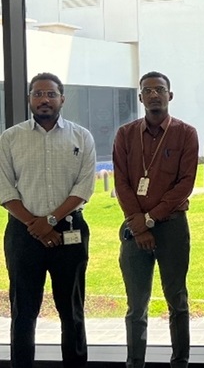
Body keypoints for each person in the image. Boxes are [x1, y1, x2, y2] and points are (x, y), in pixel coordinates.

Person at [0, 72, 96, 368]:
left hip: (69, 231)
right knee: (24, 311)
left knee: (72, 311)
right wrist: (36, 225)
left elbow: (84, 188)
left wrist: (51, 220)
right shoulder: (11, 137)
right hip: (22, 234)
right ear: (30, 99)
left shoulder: (81, 136)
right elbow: (4, 188)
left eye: (51, 94)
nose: (44, 99)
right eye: (38, 94)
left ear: (62, 99)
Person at [113, 71, 199, 368]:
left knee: (177, 299)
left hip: (172, 226)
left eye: (159, 90)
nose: (153, 95)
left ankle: (181, 362)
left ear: (169, 96)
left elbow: (184, 184)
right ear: (140, 97)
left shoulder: (186, 133)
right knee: (136, 304)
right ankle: (135, 362)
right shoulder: (125, 134)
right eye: (147, 90)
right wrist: (138, 223)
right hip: (135, 228)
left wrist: (149, 219)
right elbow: (121, 182)